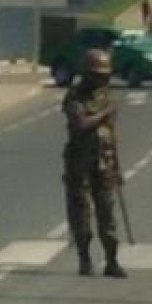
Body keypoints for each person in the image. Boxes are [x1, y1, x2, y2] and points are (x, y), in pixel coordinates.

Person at [61, 49, 127, 278]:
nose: (103, 79)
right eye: (98, 75)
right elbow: (80, 124)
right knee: (81, 213)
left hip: (104, 162)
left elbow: (111, 133)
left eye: (105, 75)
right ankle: (85, 259)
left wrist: (117, 167)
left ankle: (112, 261)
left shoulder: (105, 95)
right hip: (80, 163)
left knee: (107, 213)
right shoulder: (75, 96)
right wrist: (104, 113)